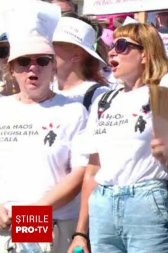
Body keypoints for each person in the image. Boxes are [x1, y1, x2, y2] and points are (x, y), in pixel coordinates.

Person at [67, 0, 168, 252]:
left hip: (144, 203)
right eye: (111, 47)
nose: (112, 53)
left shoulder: (162, 92)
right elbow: (93, 168)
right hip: (101, 205)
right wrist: (80, 232)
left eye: (121, 46)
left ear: (145, 53)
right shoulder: (104, 100)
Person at [0, 2, 88, 252]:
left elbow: (80, 173)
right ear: (12, 70)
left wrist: (30, 214)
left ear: (53, 67)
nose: (32, 68)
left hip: (51, 225)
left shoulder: (73, 111)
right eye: (23, 62)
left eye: (42, 61)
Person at [52, 15, 110, 111]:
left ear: (76, 56)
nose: (46, 50)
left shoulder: (99, 95)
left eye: (53, 45)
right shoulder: (44, 89)